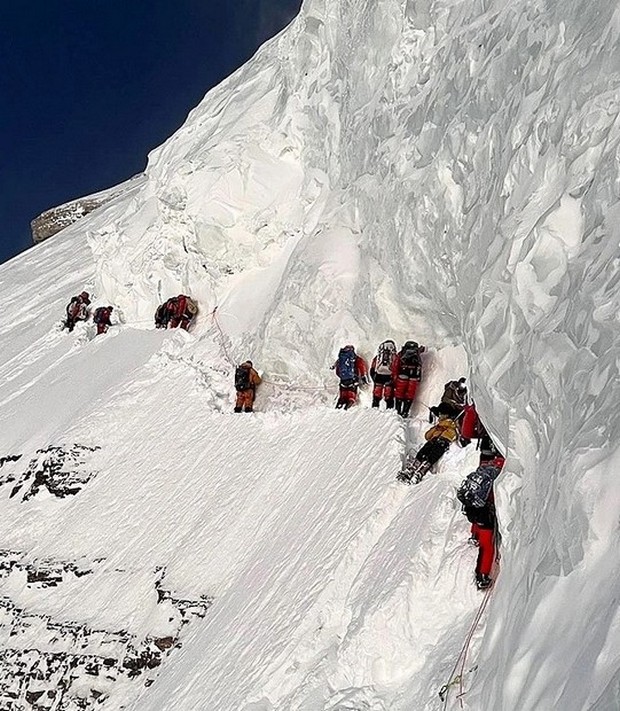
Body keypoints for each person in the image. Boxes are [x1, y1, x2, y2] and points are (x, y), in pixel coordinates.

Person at [457, 460, 504, 590]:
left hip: (471, 507)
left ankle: (474, 536)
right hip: (484, 513)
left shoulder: (487, 467)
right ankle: (482, 576)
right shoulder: (500, 474)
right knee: (487, 546)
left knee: (481, 534)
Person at [397, 406, 459, 483]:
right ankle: (416, 470)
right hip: (434, 441)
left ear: (446, 415)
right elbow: (427, 436)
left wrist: (440, 429)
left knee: (431, 455)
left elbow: (452, 435)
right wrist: (436, 428)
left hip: (442, 441)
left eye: (441, 414)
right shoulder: (439, 426)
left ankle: (419, 471)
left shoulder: (451, 425)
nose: (439, 416)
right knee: (424, 452)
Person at [391, 341, 425, 418]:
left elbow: (395, 364)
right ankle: (405, 412)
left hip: (402, 375)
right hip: (414, 377)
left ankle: (398, 411)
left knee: (399, 392)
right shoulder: (417, 353)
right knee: (410, 394)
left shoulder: (401, 353)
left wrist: (395, 376)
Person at [332, 345, 369, 410]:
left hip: (343, 381)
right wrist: (363, 377)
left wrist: (342, 376)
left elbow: (337, 371)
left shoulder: (341, 359)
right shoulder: (355, 358)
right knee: (351, 397)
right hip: (352, 380)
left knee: (342, 396)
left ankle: (339, 406)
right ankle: (347, 408)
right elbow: (361, 366)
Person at [370, 340, 397, 409]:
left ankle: (375, 407)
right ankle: (389, 409)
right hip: (389, 376)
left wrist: (373, 376)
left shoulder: (379, 356)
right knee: (389, 394)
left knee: (377, 393)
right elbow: (396, 366)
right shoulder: (394, 356)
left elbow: (373, 365)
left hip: (379, 375)